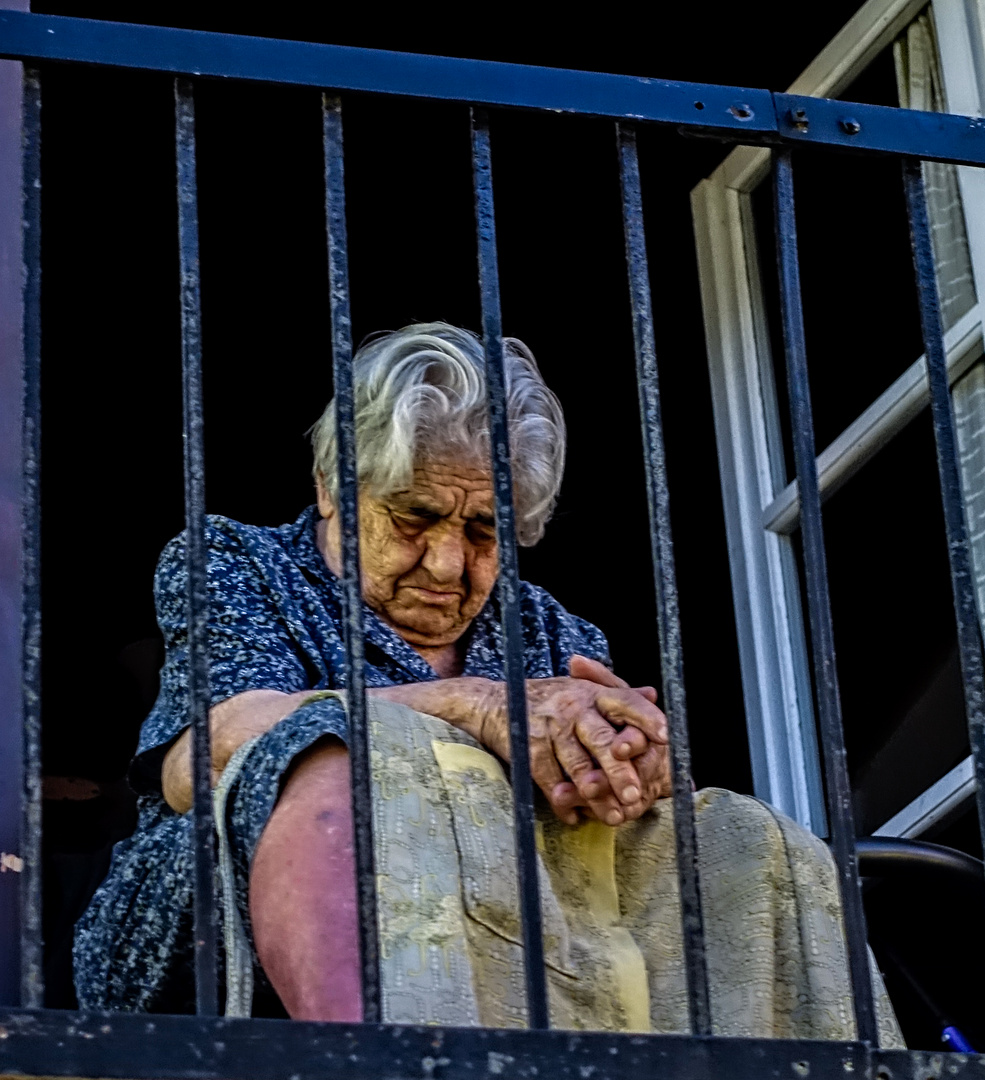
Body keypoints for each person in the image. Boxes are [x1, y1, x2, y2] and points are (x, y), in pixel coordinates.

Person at [74, 323, 902, 1041]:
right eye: (413, 518)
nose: (447, 564)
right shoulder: (237, 562)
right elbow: (197, 758)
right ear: (332, 488)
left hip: (521, 950)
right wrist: (474, 705)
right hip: (204, 938)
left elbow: (625, 844)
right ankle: (378, 1063)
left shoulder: (551, 634)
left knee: (746, 838)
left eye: (482, 531)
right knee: (340, 755)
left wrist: (629, 770)